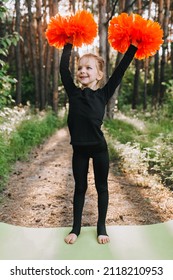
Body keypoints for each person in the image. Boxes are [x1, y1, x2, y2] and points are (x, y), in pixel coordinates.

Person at [60, 40, 138, 245]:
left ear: (99, 75)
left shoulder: (103, 94)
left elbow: (120, 71)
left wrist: (133, 48)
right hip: (79, 150)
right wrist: (67, 43)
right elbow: (63, 69)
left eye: (88, 68)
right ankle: (75, 229)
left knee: (102, 187)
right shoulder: (73, 92)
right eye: (80, 68)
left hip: (99, 149)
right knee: (80, 187)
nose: (82, 71)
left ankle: (101, 228)